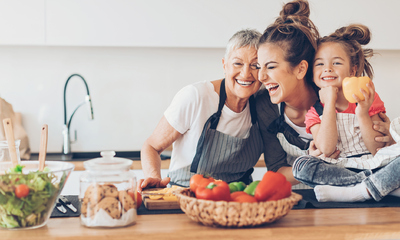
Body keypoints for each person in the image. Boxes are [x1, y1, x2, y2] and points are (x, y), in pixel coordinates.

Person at [256, 0, 396, 192]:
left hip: (369, 169)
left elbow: (378, 146)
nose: (261, 76)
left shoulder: (336, 87)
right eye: (259, 67)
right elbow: (277, 171)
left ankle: (365, 186)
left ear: (302, 69)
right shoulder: (270, 107)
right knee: (304, 167)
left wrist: (390, 135)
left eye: (271, 66)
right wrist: (312, 159)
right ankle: (361, 187)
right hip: (313, 189)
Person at [139, 29, 264, 191]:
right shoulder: (196, 97)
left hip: (238, 201)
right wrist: (154, 177)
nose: (246, 73)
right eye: (237, 63)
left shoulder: (265, 104)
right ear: (224, 65)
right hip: (186, 197)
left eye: (255, 65)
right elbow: (151, 146)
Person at [292, 24, 400, 202]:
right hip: (341, 170)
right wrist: (329, 104)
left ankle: (358, 191)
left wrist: (363, 112)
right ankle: (376, 186)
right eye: (320, 63)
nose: (327, 68)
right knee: (301, 166)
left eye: (336, 63)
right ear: (312, 73)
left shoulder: (366, 98)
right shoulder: (315, 111)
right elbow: (327, 149)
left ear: (352, 70)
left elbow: (376, 149)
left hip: (374, 164)